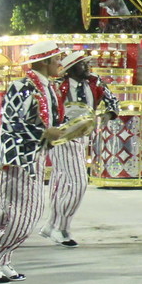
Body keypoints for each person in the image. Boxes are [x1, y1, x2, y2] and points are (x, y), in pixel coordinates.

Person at [0, 42, 69, 284]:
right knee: (21, 216)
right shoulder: (23, 86)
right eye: (57, 59)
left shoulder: (47, 87)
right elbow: (13, 123)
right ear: (44, 61)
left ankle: (3, 261)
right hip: (19, 158)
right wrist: (45, 132)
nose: (61, 63)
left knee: (28, 213)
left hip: (34, 156)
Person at [41, 50, 119, 247]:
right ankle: (60, 227)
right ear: (70, 69)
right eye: (83, 64)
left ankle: (53, 225)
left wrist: (105, 117)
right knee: (78, 183)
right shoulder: (57, 87)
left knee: (62, 182)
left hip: (83, 137)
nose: (87, 67)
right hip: (63, 138)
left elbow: (113, 103)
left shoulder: (95, 82)